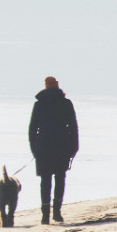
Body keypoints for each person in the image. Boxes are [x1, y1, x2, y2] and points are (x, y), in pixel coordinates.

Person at [29, 76, 79, 224]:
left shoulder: (38, 104)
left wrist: (34, 148)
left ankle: (45, 215)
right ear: (57, 86)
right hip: (62, 146)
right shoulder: (66, 104)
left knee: (45, 181)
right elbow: (73, 127)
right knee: (60, 179)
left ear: (45, 87)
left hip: (43, 147)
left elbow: (32, 129)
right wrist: (75, 147)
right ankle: (56, 212)